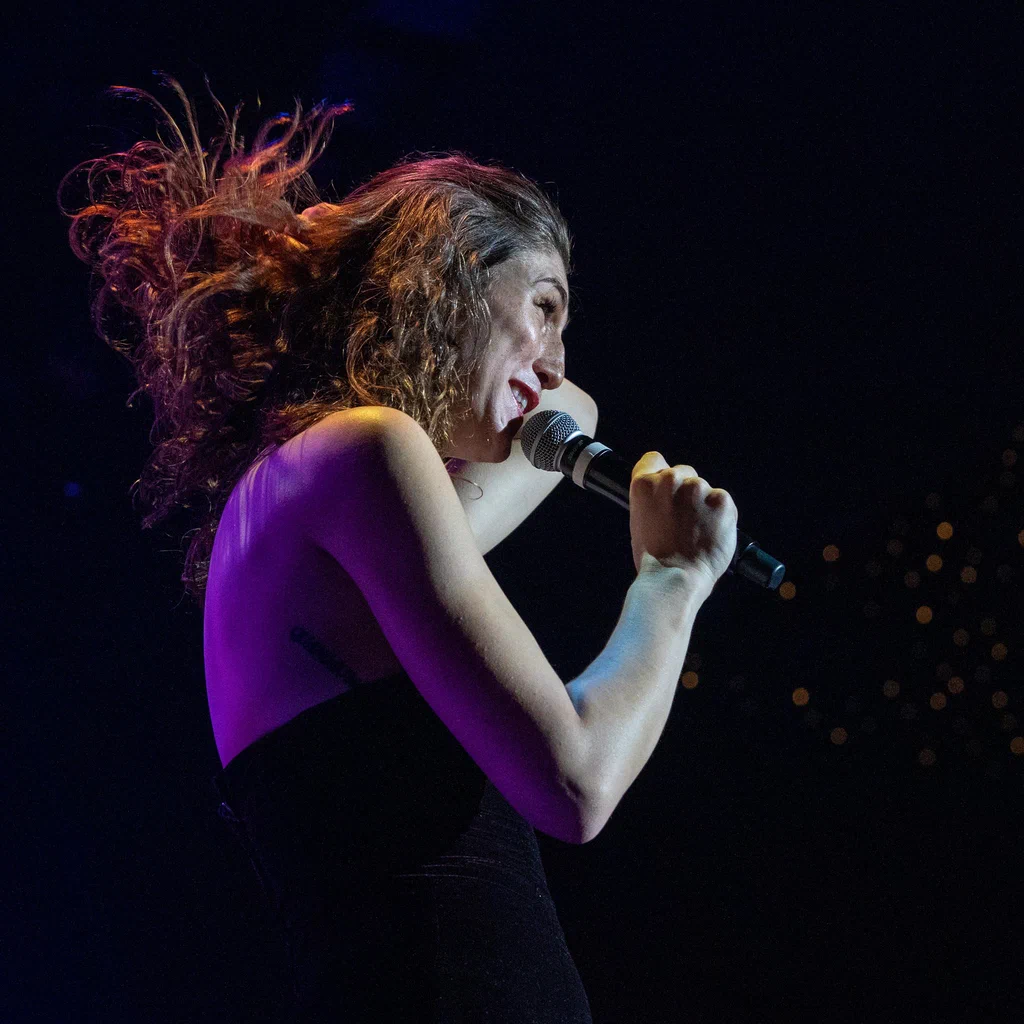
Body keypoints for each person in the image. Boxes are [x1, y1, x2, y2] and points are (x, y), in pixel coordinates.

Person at [59, 75, 738, 1022]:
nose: (555, 359)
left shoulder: (302, 491)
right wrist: (671, 581)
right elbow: (575, 780)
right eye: (544, 305)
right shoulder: (364, 449)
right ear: (450, 280)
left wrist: (538, 391)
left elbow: (572, 411)